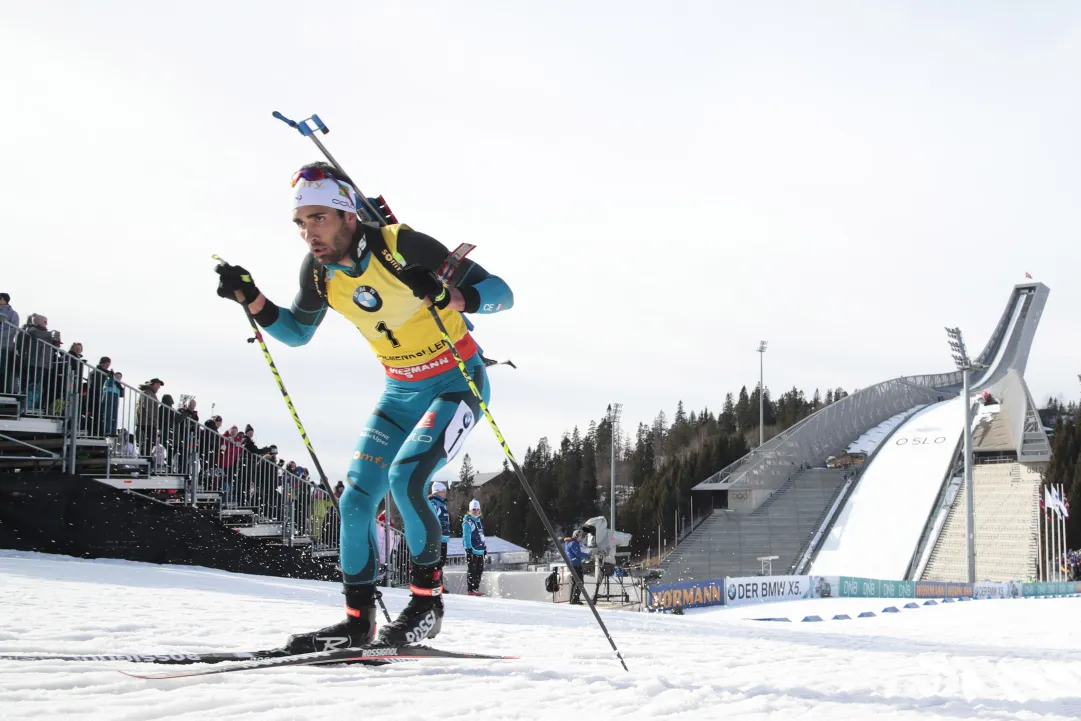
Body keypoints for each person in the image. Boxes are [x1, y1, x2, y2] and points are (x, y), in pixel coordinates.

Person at [214, 161, 512, 651]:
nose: (309, 232)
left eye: (318, 218)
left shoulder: (401, 245)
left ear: (348, 214)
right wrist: (253, 298)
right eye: (301, 222)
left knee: (407, 479)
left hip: (457, 380)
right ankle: (358, 621)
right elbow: (296, 332)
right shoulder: (319, 272)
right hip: (400, 389)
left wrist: (450, 295)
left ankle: (425, 606)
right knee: (354, 503)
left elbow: (503, 294)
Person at [462, 499, 487, 596]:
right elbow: (466, 537)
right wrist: (468, 549)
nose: (476, 511)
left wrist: (484, 548)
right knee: (472, 570)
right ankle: (471, 589)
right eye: (474, 509)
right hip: (472, 550)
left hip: (480, 549)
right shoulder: (468, 522)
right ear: (470, 510)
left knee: (479, 570)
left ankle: (476, 588)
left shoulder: (479, 521)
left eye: (477, 509)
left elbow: (482, 535)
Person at [427, 481, 451, 570]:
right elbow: (431, 521)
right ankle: (433, 581)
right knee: (437, 562)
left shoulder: (443, 505)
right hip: (437, 538)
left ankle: (438, 580)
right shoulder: (434, 504)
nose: (445, 493)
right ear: (437, 492)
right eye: (443, 491)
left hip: (443, 537)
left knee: (442, 561)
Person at [564, 530, 591, 605]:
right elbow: (578, 554)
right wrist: (589, 555)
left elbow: (575, 555)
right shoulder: (574, 543)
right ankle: (575, 599)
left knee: (575, 582)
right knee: (579, 582)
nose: (581, 538)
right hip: (575, 565)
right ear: (576, 536)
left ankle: (573, 599)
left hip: (574, 564)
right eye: (580, 536)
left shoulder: (571, 543)